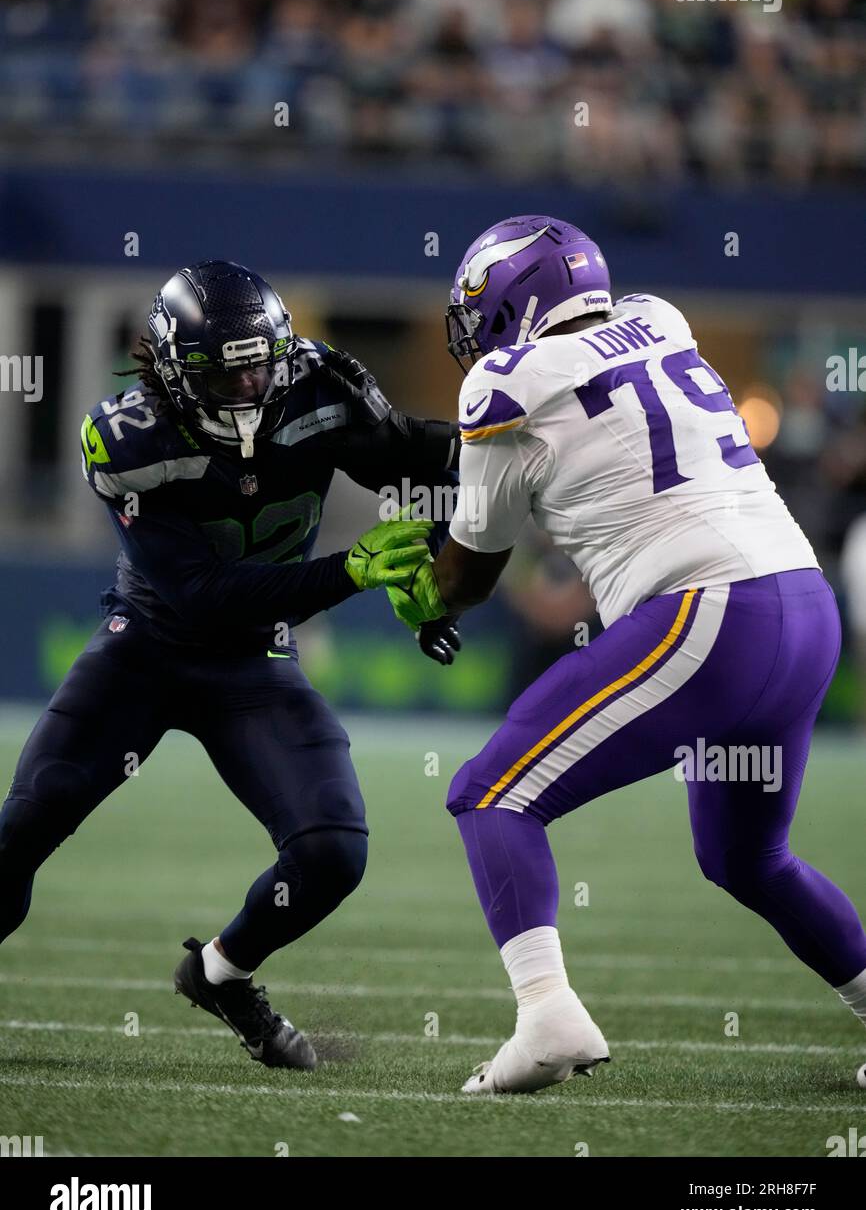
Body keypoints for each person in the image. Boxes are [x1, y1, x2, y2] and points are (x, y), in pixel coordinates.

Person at [387, 215, 866, 1094]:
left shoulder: (505, 382)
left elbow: (467, 578)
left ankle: (546, 1014)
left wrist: (418, 587)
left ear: (511, 302)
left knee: (492, 791)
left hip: (712, 615)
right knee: (746, 858)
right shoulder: (662, 318)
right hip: (804, 604)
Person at [0, 259, 454, 1070]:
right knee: (23, 826)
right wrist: (351, 571)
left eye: (262, 359)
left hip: (253, 665)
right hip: (144, 649)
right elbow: (204, 594)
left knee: (331, 853)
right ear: (178, 372)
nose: (253, 380)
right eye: (229, 367)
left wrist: (459, 547)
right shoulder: (130, 438)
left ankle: (220, 974)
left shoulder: (316, 388)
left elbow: (421, 463)